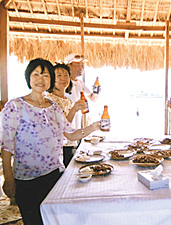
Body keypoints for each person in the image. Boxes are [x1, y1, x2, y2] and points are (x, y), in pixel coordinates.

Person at [0, 58, 103, 225]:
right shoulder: (15, 106)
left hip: (55, 175)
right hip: (27, 179)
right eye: (36, 74)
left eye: (46, 75)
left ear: (50, 81)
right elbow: (6, 146)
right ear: (29, 77)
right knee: (34, 221)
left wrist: (94, 127)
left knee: (54, 220)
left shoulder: (54, 107)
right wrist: (8, 178)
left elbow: (71, 134)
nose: (41, 79)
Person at [46, 63, 86, 166]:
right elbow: (61, 127)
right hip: (59, 147)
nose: (63, 78)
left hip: (70, 144)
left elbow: (70, 124)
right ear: (51, 79)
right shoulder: (49, 100)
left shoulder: (68, 100)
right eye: (59, 75)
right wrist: (73, 110)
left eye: (66, 75)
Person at [64, 53, 98, 129]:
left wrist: (96, 92)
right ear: (69, 66)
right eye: (78, 64)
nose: (82, 67)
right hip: (65, 127)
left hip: (77, 127)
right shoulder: (62, 84)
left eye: (82, 64)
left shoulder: (80, 83)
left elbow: (93, 98)